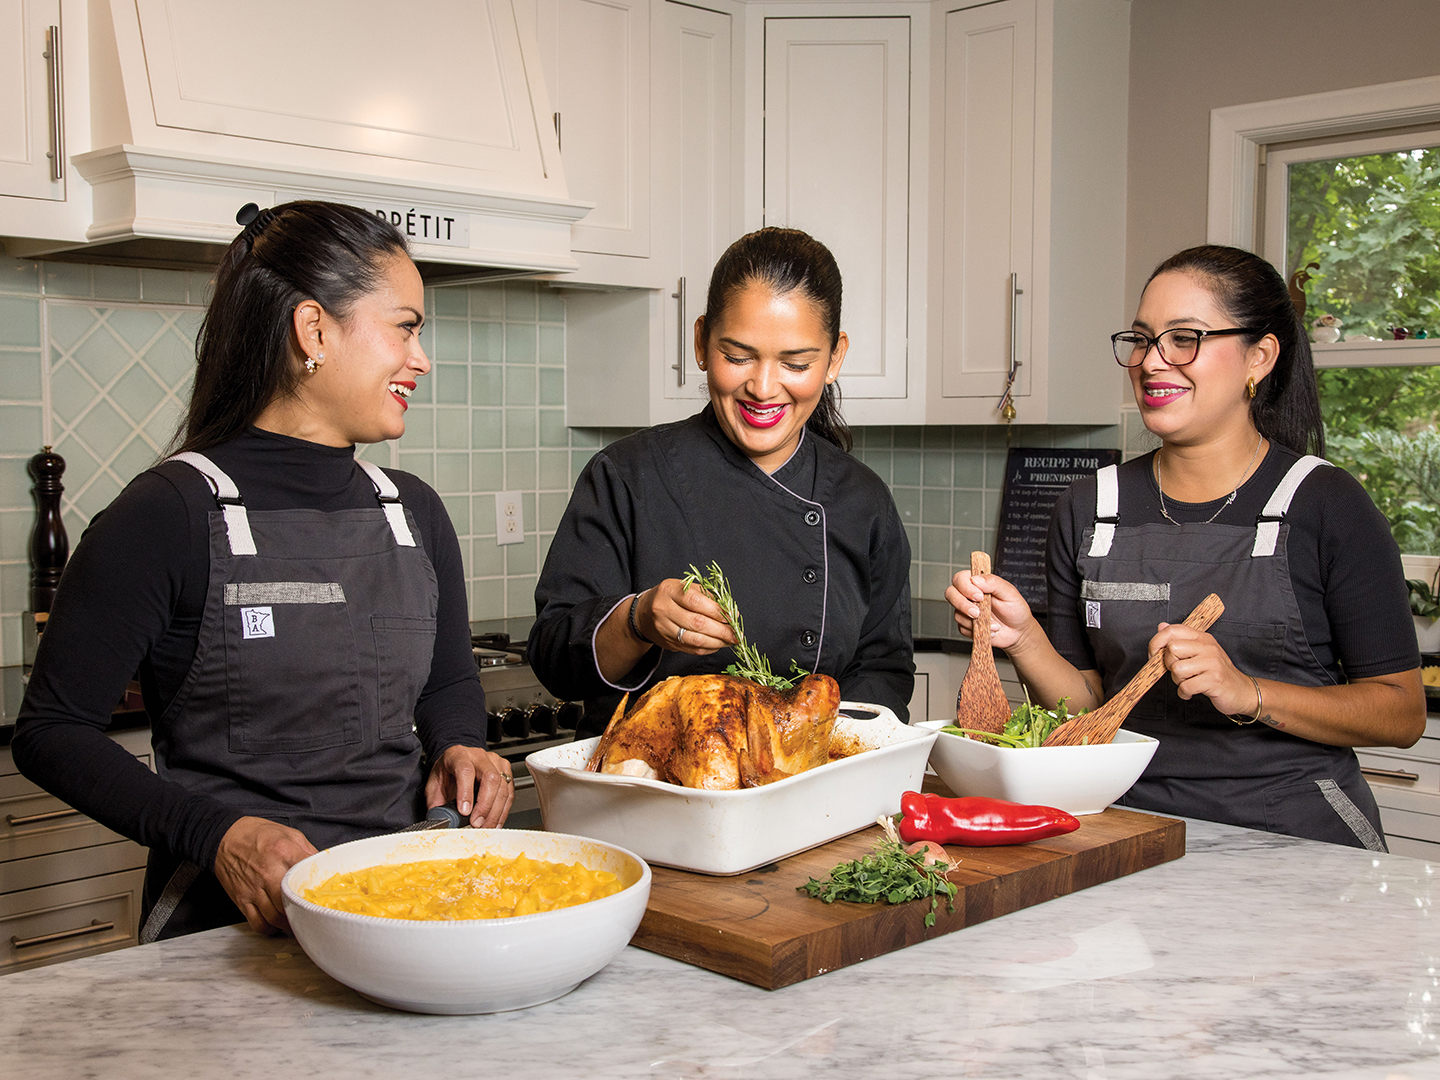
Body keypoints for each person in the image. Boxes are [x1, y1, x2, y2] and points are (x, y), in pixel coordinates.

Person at [13, 201, 512, 940]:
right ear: (314, 330)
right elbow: (51, 731)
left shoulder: (414, 512)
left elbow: (445, 683)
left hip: (408, 914)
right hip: (231, 934)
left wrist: (461, 742)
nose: (421, 358)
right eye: (405, 327)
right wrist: (217, 835)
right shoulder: (168, 514)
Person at [947, 244, 1426, 850]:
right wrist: (1024, 640)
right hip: (1124, 828)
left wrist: (1247, 692)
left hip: (1295, 834)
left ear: (1260, 356)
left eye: (1185, 339)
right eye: (1143, 339)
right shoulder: (1088, 507)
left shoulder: (1325, 503)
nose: (1152, 362)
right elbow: (1090, 707)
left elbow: (1401, 712)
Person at [530, 227, 913, 736]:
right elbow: (554, 655)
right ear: (700, 342)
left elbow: (884, 671)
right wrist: (639, 619)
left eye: (796, 363)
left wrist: (815, 748)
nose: (763, 386)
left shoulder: (862, 501)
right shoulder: (628, 477)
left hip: (807, 794)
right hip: (646, 789)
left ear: (835, 358)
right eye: (738, 356)